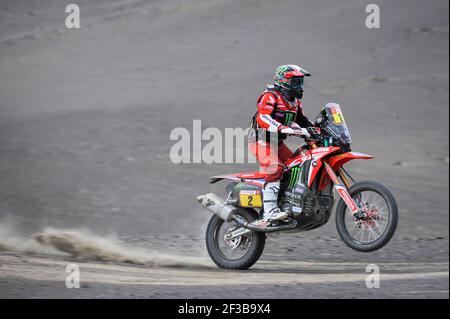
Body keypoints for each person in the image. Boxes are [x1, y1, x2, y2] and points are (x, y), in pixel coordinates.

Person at [248, 64, 315, 229]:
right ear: (283, 81)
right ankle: (269, 212)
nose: (299, 87)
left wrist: (320, 131)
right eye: (295, 82)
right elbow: (263, 118)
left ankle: (287, 203)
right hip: (261, 140)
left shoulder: (295, 102)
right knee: (276, 168)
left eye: (300, 82)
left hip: (277, 143)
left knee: (298, 165)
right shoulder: (270, 96)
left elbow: (305, 122)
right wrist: (282, 127)